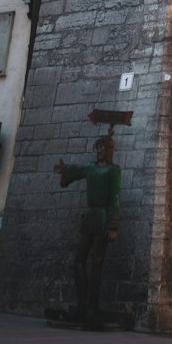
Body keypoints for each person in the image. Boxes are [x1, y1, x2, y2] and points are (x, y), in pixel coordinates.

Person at [54, 136, 121, 326]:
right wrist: (65, 171)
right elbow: (75, 172)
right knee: (78, 262)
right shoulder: (91, 168)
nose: (99, 151)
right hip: (90, 218)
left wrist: (113, 226)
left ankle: (93, 307)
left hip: (102, 218)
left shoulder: (113, 170)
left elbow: (115, 197)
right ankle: (82, 304)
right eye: (97, 147)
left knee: (97, 263)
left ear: (109, 150)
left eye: (102, 147)